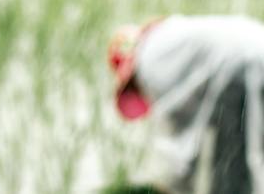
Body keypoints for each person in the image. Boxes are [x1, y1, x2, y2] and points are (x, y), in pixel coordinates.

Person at [111, 15, 264, 193]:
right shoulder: (169, 36)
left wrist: (173, 184)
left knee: (232, 164)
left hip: (241, 69)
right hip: (256, 49)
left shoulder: (147, 62)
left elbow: (181, 140)